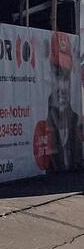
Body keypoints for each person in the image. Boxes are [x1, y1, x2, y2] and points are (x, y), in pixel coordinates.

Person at [46, 32, 83, 172]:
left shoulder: (75, 120)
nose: (63, 86)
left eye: (66, 77)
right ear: (48, 74)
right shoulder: (43, 121)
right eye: (57, 75)